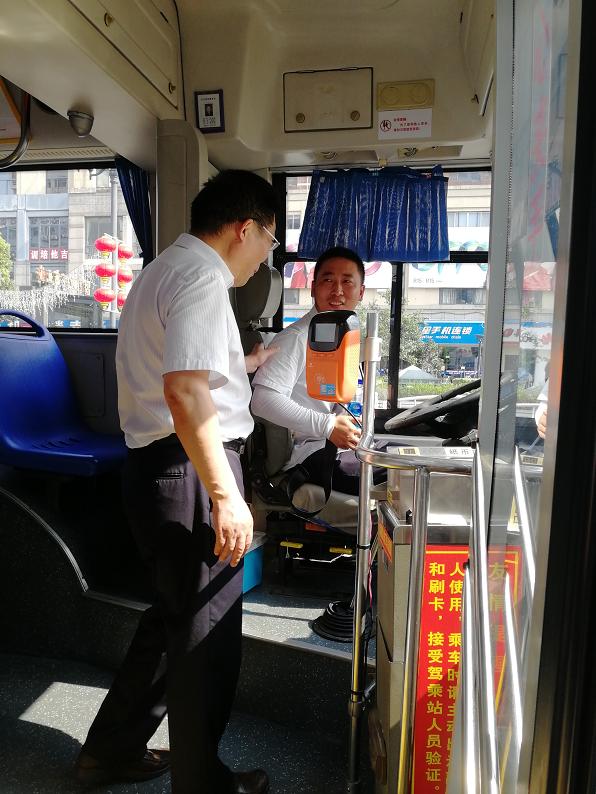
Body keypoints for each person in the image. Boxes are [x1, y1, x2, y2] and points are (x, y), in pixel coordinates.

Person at [75, 170, 278, 794]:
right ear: (245, 229)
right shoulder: (203, 279)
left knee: (173, 623)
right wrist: (225, 495)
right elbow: (185, 391)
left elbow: (193, 372)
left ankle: (110, 751)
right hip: (191, 469)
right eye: (269, 240)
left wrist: (250, 363)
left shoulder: (162, 270)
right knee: (205, 639)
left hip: (159, 467)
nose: (266, 256)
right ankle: (202, 784)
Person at [251, 246, 375, 497]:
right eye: (328, 280)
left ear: (361, 292)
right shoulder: (296, 338)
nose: (337, 291)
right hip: (312, 454)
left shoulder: (347, 338)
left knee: (406, 457)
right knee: (404, 472)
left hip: (344, 446)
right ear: (313, 287)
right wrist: (327, 426)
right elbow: (262, 401)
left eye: (347, 282)